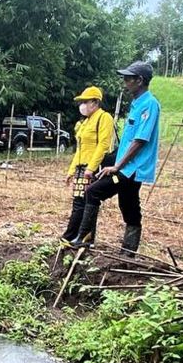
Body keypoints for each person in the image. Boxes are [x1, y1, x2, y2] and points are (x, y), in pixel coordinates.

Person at [67, 61, 160, 255]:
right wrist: (109, 161)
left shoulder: (149, 105)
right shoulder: (136, 104)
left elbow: (140, 140)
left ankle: (84, 239)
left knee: (93, 191)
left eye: (128, 78)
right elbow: (126, 142)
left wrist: (116, 166)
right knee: (128, 203)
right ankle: (128, 251)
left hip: (133, 167)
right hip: (125, 164)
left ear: (139, 80)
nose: (125, 82)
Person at [60, 86, 115, 247]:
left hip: (93, 167)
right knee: (79, 201)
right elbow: (80, 149)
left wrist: (91, 168)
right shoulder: (85, 122)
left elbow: (103, 145)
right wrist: (71, 170)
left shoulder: (104, 118)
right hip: (80, 167)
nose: (82, 105)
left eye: (85, 101)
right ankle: (75, 236)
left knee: (87, 201)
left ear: (95, 102)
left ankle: (80, 237)